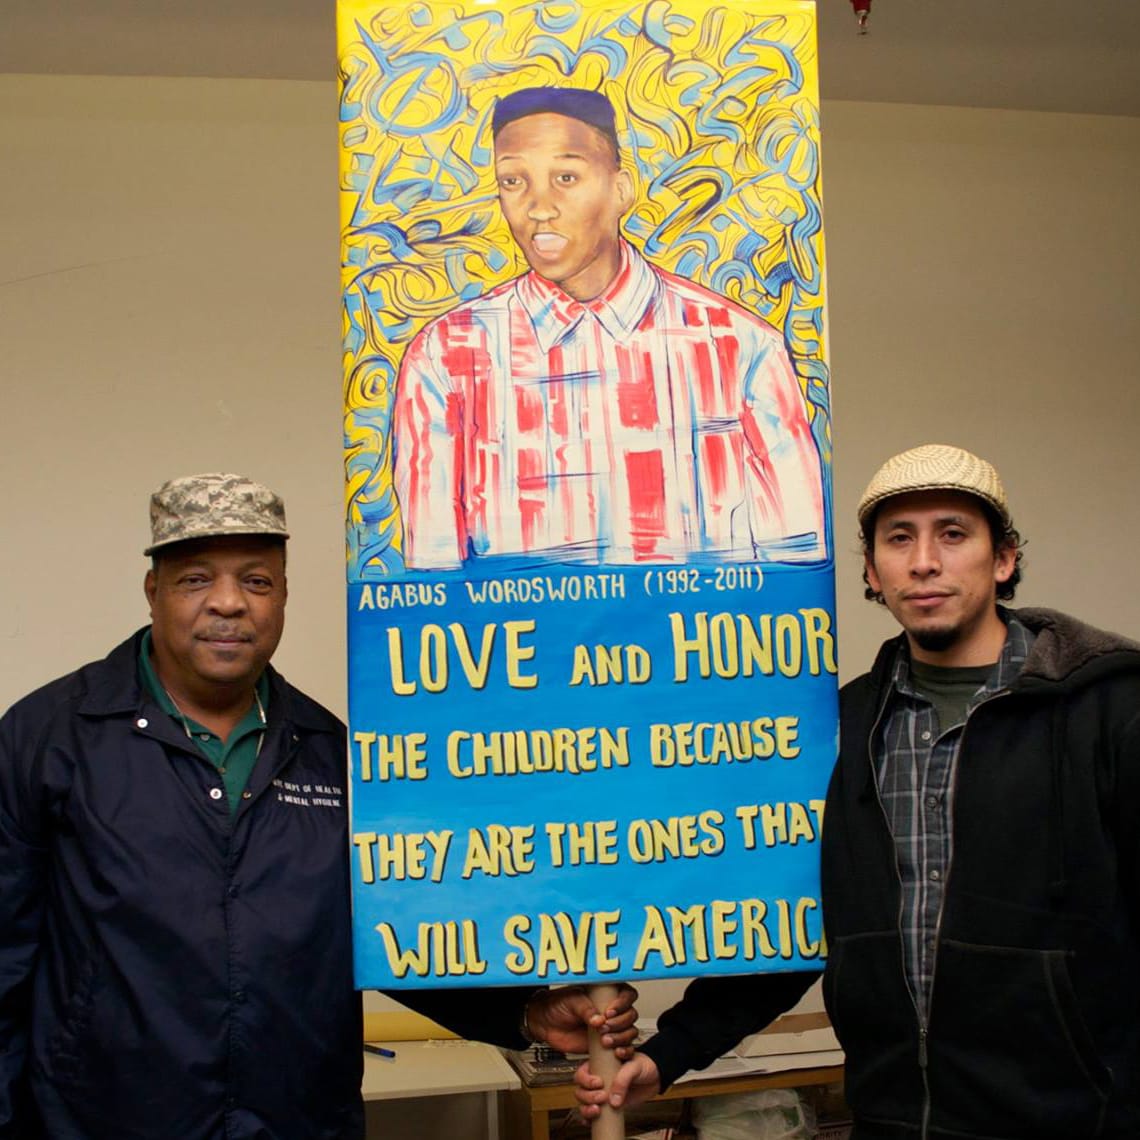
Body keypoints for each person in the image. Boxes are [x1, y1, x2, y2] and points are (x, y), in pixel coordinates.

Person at [0, 472, 636, 1140]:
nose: (228, 604)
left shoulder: (334, 753)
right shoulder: (51, 739)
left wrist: (522, 1015)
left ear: (282, 596)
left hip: (297, 1121)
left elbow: (391, 935)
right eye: (195, 580)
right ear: (153, 591)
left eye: (257, 580)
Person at [576, 444, 1140, 1138]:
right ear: (873, 571)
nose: (924, 560)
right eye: (899, 539)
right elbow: (789, 929)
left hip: (1082, 1122)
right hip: (890, 1120)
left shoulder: (1110, 709)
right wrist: (668, 1056)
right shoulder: (838, 731)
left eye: (952, 534)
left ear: (1004, 560)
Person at [394, 85, 826, 569]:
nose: (539, 207)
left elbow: (798, 568)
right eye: (513, 181)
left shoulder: (741, 346)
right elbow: (432, 581)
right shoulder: (447, 354)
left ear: (621, 189)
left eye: (565, 176)